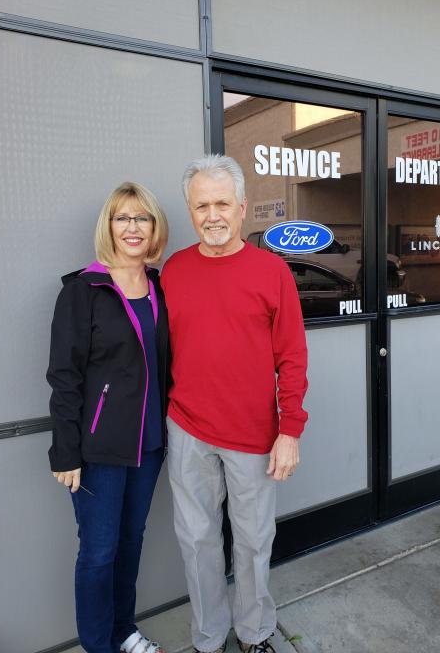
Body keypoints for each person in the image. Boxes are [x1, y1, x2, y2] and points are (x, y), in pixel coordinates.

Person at [161, 154, 308, 653]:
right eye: (201, 205)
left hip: (254, 434)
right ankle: (208, 637)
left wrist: (290, 430)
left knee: (251, 543)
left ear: (242, 207)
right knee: (197, 542)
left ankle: (255, 633)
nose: (212, 214)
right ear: (190, 209)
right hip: (187, 429)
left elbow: (292, 357)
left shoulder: (272, 272)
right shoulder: (174, 271)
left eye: (222, 202)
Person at [47, 182, 169, 653]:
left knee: (130, 544)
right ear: (109, 227)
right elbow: (64, 376)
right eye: (123, 218)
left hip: (150, 446)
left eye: (142, 218)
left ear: (154, 227)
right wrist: (65, 451)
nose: (133, 227)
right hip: (98, 451)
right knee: (98, 553)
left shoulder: (159, 285)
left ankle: (124, 631)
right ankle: (99, 645)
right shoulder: (84, 290)